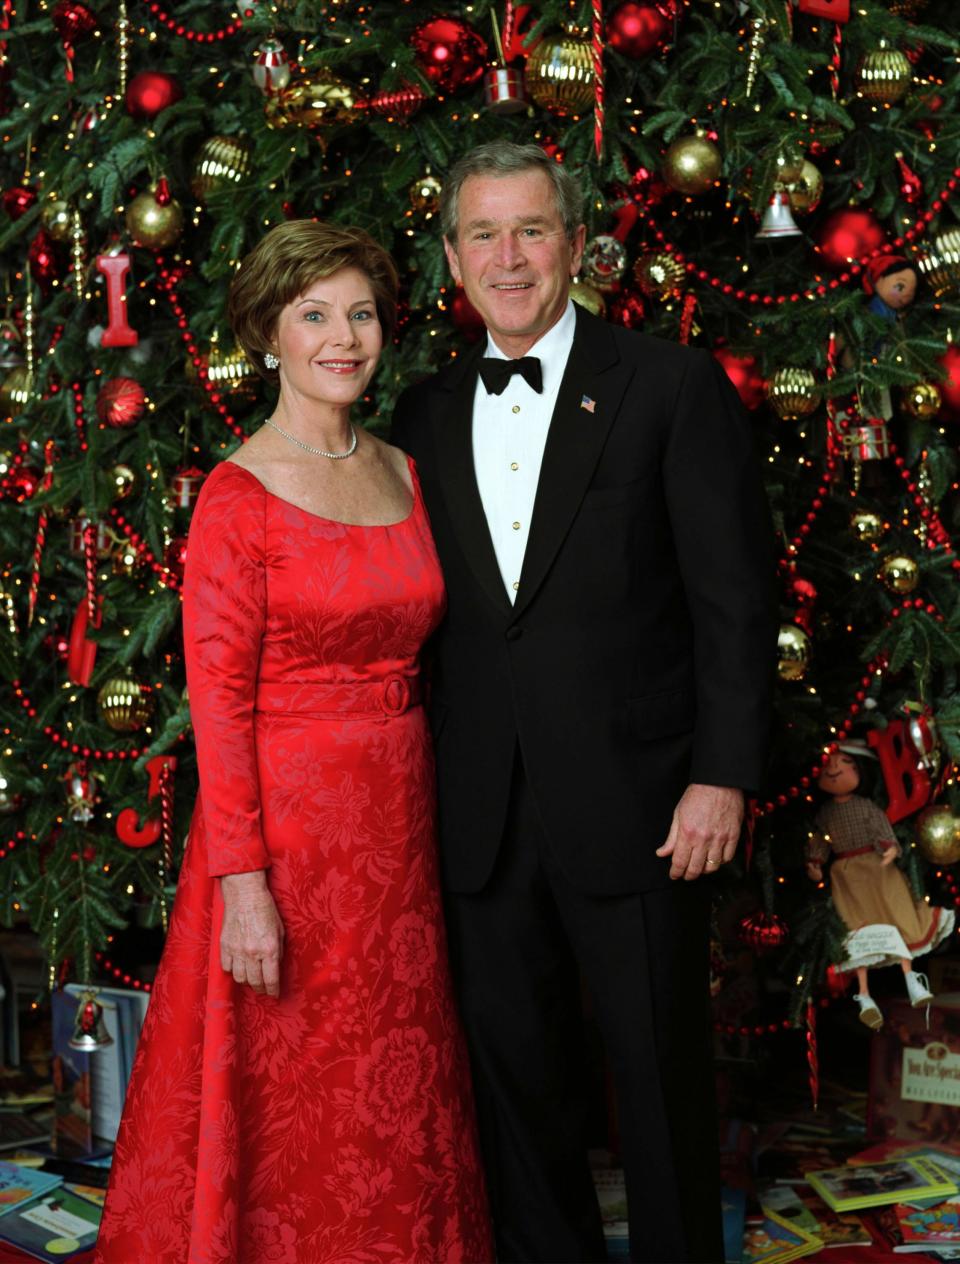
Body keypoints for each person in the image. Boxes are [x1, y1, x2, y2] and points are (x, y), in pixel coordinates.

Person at [391, 140, 777, 1264]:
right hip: (481, 813)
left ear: (573, 242)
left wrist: (724, 774)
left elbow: (734, 603)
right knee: (517, 1094)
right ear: (453, 256)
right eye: (481, 235)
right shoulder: (419, 410)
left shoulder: (670, 384)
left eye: (530, 231)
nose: (507, 259)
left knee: (659, 1084)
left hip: (647, 802)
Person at [94, 220, 493, 1264]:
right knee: (290, 1077)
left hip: (399, 828)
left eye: (359, 312)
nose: (342, 337)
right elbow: (217, 709)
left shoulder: (409, 473)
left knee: (389, 1069)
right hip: (286, 835)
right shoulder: (237, 496)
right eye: (314, 314)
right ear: (268, 333)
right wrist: (243, 886)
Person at [806, 745, 954, 1031]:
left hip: (877, 868)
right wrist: (815, 861)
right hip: (846, 876)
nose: (834, 769)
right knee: (859, 928)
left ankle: (911, 978)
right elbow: (820, 841)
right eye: (827, 765)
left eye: (844, 763)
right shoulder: (824, 814)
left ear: (860, 770)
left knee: (894, 915)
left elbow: (881, 830)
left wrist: (888, 848)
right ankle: (864, 994)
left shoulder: (865, 807)